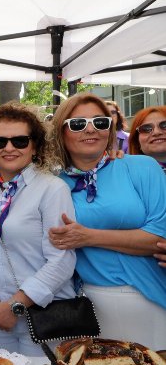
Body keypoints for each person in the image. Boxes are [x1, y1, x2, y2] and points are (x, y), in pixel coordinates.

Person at [48, 93, 166, 348]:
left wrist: (88, 237)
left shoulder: (142, 167)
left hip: (149, 296)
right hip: (87, 303)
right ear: (61, 132)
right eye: (78, 124)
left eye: (100, 122)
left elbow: (159, 237)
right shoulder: (53, 185)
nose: (90, 129)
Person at [0, 103, 76, 355]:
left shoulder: (52, 189)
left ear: (35, 145)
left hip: (43, 313)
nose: (8, 148)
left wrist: (16, 305)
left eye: (19, 141)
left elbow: (62, 260)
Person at [128, 105, 166, 172]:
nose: (156, 132)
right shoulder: (126, 173)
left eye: (164, 125)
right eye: (146, 129)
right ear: (137, 142)